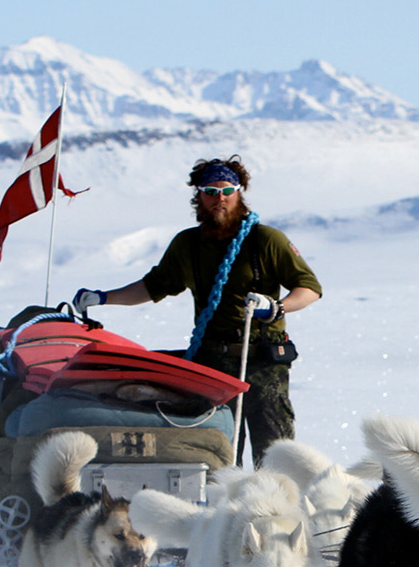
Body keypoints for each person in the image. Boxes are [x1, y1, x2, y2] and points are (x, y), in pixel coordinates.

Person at [72, 157, 321, 464]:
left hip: (262, 363)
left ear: (239, 193)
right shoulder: (188, 245)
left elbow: (309, 288)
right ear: (198, 196)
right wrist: (103, 298)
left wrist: (277, 307)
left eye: (228, 190)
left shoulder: (265, 240)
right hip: (212, 365)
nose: (221, 198)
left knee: (274, 456)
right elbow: (152, 287)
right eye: (211, 191)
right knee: (217, 452)